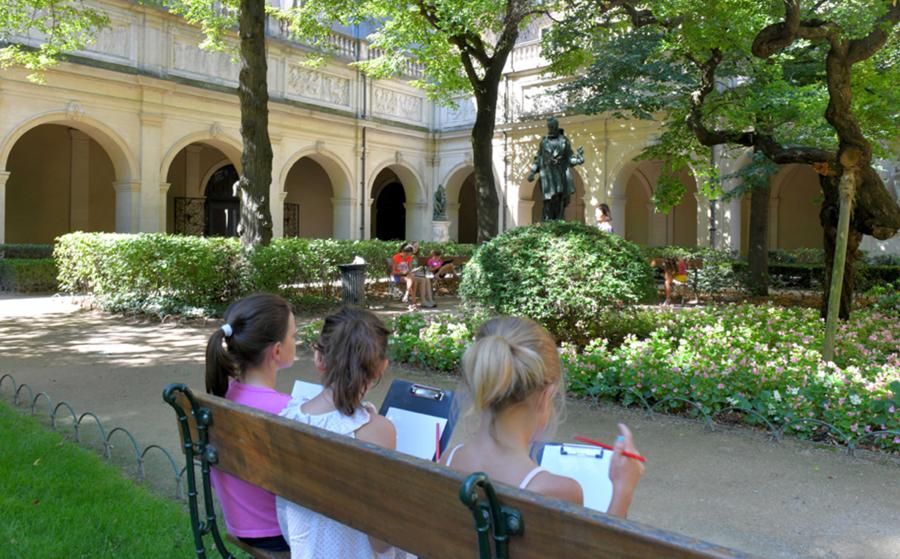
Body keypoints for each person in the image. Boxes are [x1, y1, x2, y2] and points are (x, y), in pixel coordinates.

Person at [440, 316, 644, 518]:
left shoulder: (447, 460)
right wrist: (623, 489)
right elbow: (599, 552)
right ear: (546, 396)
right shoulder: (555, 491)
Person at [276, 307, 403, 559]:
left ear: (318, 359)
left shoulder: (287, 417)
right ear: (381, 368)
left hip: (303, 548)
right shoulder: (378, 430)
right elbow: (380, 541)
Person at [206, 293, 296, 553]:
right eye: (294, 336)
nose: (296, 341)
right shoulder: (286, 411)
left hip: (240, 525)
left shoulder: (223, 396)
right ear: (277, 351)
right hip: (280, 532)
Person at [526, 116, 585, 221]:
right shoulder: (544, 142)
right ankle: (548, 221)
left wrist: (579, 159)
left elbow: (570, 158)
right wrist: (532, 172)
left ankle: (559, 221)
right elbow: (538, 159)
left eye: (553, 126)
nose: (551, 128)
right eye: (550, 126)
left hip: (560, 175)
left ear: (557, 126)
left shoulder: (564, 141)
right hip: (547, 176)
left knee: (559, 199)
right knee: (548, 200)